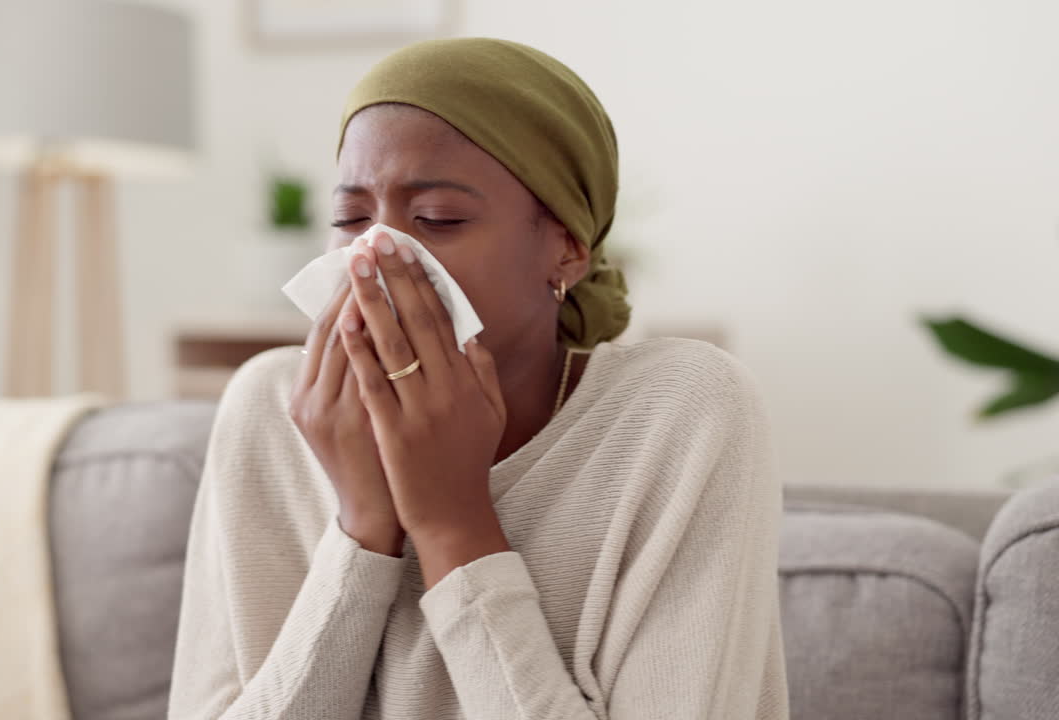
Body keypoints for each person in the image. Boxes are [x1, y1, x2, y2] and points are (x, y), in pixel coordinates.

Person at [168, 37, 788, 720]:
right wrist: (362, 531)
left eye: (438, 218)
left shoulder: (683, 414)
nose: (377, 253)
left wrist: (451, 523)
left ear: (566, 248)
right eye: (350, 219)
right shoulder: (271, 408)